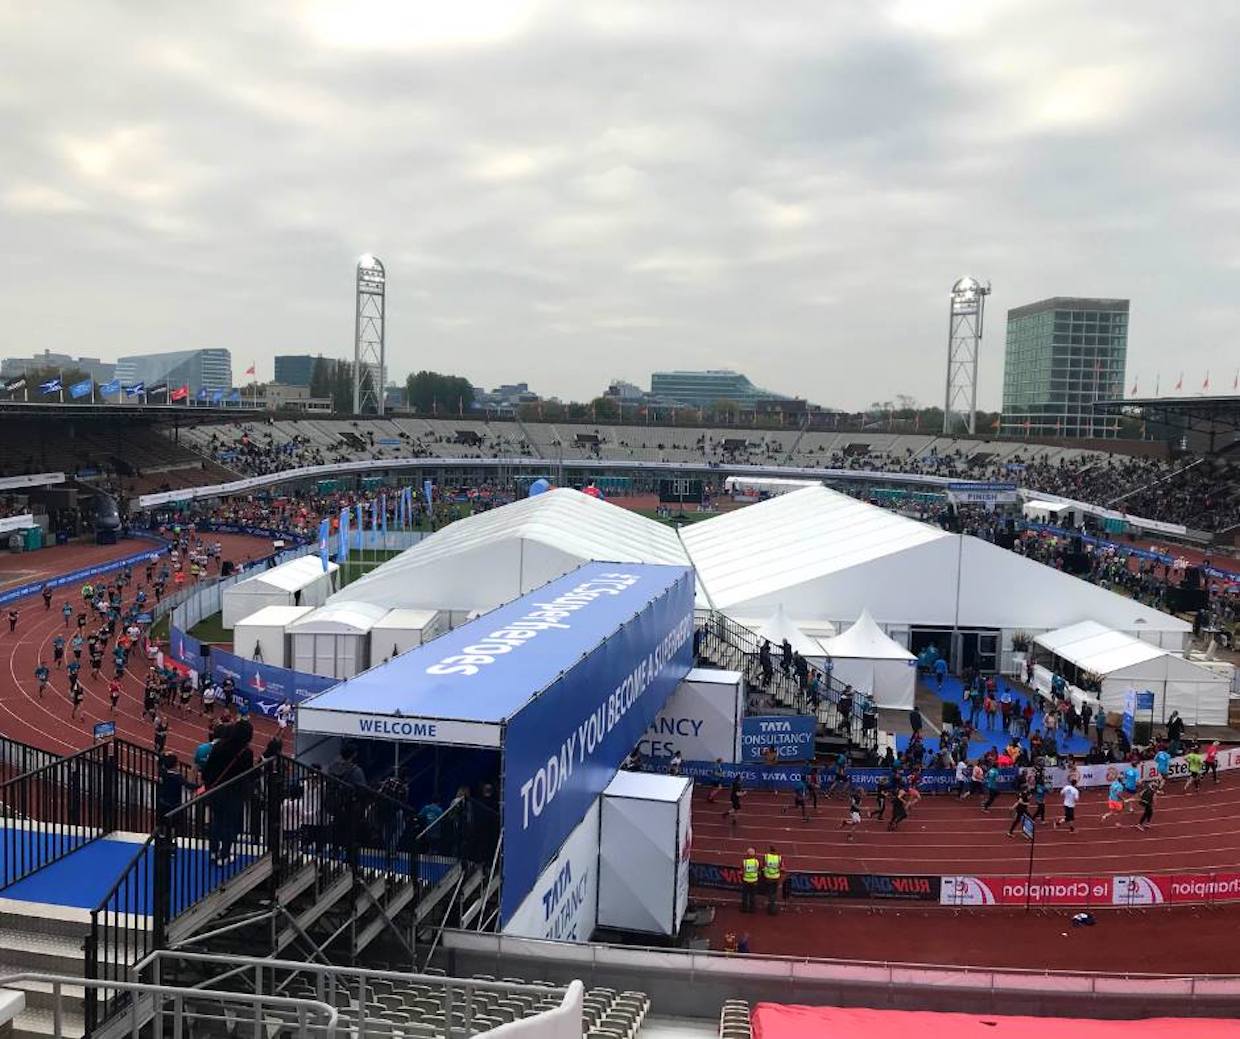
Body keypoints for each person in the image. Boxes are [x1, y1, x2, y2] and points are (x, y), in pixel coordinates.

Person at [202, 719, 255, 866]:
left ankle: (213, 852)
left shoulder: (219, 746)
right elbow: (248, 774)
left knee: (216, 821)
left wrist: (208, 783)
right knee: (229, 824)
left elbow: (208, 768)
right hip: (235, 792)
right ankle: (224, 854)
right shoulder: (246, 753)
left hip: (216, 790)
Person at [763, 845, 782, 915]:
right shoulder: (779, 857)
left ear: (770, 850)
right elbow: (781, 867)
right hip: (776, 878)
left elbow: (763, 866)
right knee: (774, 893)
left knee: (770, 893)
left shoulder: (766, 856)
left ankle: (771, 908)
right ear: (775, 851)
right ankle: (772, 908)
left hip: (768, 877)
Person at [740, 848, 760, 913]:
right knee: (753, 895)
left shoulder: (744, 862)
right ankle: (752, 909)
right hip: (754, 881)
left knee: (745, 895)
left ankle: (744, 908)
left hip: (746, 880)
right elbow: (758, 870)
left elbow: (741, 871)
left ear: (747, 854)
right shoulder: (756, 862)